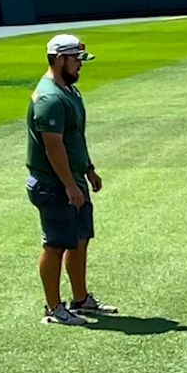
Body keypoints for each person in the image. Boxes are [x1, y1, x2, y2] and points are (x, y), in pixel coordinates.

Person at [25, 34, 118, 325]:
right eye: (76, 60)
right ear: (59, 59)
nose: (79, 66)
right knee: (55, 244)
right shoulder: (50, 98)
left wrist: (88, 169)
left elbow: (75, 137)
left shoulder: (69, 91)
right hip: (54, 185)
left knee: (79, 240)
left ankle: (81, 300)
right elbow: (54, 146)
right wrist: (68, 184)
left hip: (73, 179)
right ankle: (54, 309)